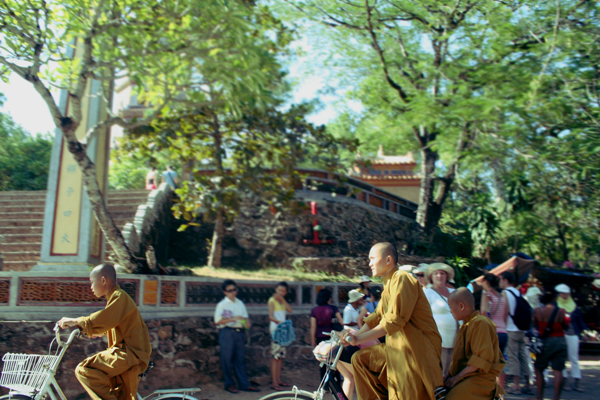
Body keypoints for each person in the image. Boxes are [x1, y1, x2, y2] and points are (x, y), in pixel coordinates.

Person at [345, 242, 446, 400]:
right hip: (397, 348)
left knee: (407, 393)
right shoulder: (388, 284)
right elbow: (376, 317)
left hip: (414, 349)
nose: (369, 263)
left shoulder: (402, 279)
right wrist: (354, 336)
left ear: (388, 260)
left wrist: (358, 339)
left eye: (372, 258)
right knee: (359, 359)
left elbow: (393, 321)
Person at [57, 263, 151, 400]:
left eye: (92, 282)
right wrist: (99, 332)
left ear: (102, 280)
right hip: (131, 353)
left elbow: (104, 318)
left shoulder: (120, 296)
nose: (91, 287)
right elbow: (116, 325)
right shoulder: (116, 298)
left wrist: (76, 321)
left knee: (85, 370)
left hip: (129, 353)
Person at [444, 288, 506, 400]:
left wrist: (457, 378)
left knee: (453, 397)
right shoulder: (466, 325)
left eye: (450, 307)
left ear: (461, 306)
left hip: (480, 379)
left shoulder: (480, 323)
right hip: (467, 376)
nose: (450, 311)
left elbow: (480, 361)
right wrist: (449, 376)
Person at [214, 279, 260, 394]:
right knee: (227, 359)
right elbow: (217, 321)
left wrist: (247, 323)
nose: (233, 292)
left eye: (234, 289)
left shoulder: (240, 303)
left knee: (240, 359)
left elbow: (245, 317)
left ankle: (244, 384)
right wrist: (232, 319)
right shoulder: (222, 305)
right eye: (229, 291)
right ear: (224, 292)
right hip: (227, 332)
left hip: (239, 332)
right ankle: (229, 384)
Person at [531, 291, 570, 400]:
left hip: (546, 342)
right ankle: (556, 398)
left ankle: (539, 397)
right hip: (560, 341)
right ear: (554, 299)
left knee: (539, 368)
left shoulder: (537, 311)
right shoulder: (561, 311)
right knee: (558, 370)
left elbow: (534, 326)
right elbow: (566, 325)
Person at [499, 271, 533, 395]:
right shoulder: (518, 292)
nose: (499, 282)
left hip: (510, 329)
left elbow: (505, 310)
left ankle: (516, 386)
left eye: (501, 279)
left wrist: (501, 326)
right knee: (523, 357)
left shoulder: (505, 293)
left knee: (513, 358)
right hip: (521, 329)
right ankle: (528, 384)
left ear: (506, 280)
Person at [424, 263, 457, 377]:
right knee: (438, 370)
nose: (439, 276)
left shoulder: (454, 292)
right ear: (431, 277)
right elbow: (423, 316)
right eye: (436, 273)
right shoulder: (427, 293)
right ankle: (436, 393)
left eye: (442, 273)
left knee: (451, 371)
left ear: (447, 276)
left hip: (455, 339)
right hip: (438, 340)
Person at [555, 284, 587, 392]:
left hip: (573, 334)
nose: (564, 295)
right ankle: (564, 382)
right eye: (562, 293)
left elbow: (580, 320)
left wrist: (584, 332)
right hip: (561, 334)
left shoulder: (573, 305)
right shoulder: (556, 305)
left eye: (566, 293)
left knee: (574, 358)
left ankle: (577, 382)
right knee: (562, 357)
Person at [480, 273, 508, 388]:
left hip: (492, 332)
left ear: (486, 282)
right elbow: (506, 314)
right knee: (499, 364)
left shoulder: (486, 295)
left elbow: (483, 312)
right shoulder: (502, 297)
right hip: (503, 333)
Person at [310, 288, 344, 382]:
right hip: (333, 337)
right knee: (335, 360)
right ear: (328, 298)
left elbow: (313, 326)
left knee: (323, 360)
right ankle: (336, 381)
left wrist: (313, 339)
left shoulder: (314, 310)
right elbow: (341, 321)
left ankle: (325, 382)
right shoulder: (333, 308)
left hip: (320, 337)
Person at [268, 282, 293, 391]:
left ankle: (278, 380)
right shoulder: (272, 301)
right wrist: (280, 323)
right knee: (275, 357)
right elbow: (271, 316)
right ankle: (274, 381)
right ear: (276, 290)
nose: (281, 293)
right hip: (276, 330)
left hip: (283, 330)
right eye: (279, 291)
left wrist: (282, 299)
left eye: (283, 291)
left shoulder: (282, 302)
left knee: (280, 356)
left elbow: (290, 310)